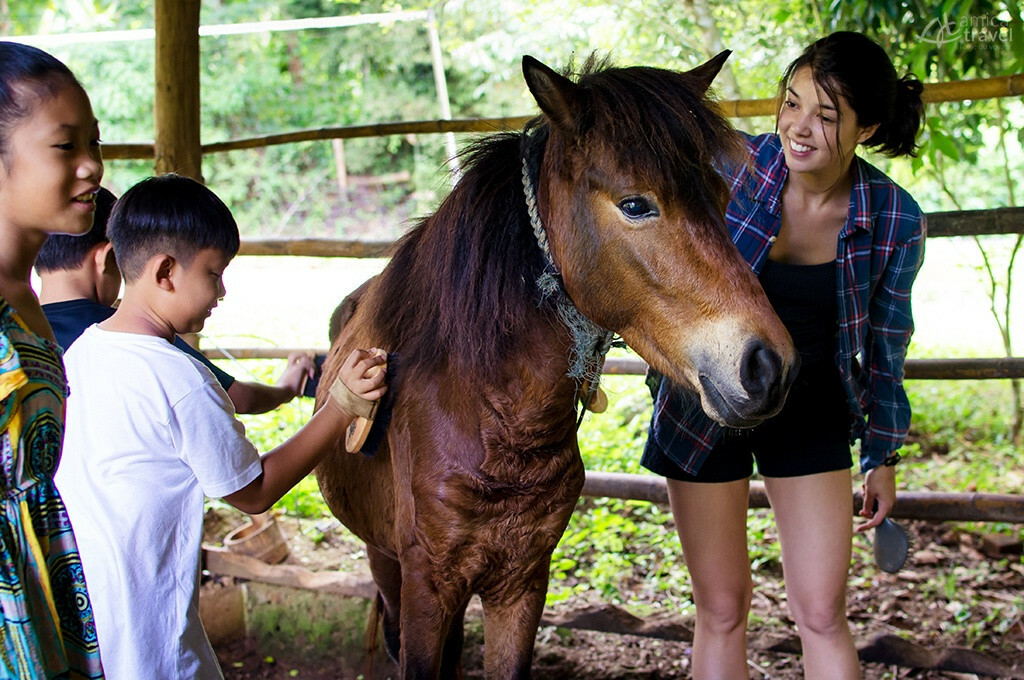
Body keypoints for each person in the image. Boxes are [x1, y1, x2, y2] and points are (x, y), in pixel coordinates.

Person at [643, 32, 925, 679]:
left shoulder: (894, 219)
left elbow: (887, 348)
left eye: (826, 117)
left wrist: (882, 454)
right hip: (705, 405)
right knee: (720, 609)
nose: (799, 128)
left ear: (867, 127)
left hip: (811, 406)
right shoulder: (727, 168)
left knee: (822, 613)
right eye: (792, 102)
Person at [55, 173, 386, 679]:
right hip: (155, 647)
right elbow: (252, 493)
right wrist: (339, 406)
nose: (223, 291)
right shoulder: (179, 377)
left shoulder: (86, 350)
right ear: (166, 271)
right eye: (215, 273)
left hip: (92, 623)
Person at [0, 41, 106, 679]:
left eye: (95, 143)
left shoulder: (25, 295)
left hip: (38, 588)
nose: (94, 166)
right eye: (66, 146)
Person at [34, 186, 316, 414]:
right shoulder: (125, 332)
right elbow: (238, 399)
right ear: (110, 257)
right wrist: (287, 388)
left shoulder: (18, 333)